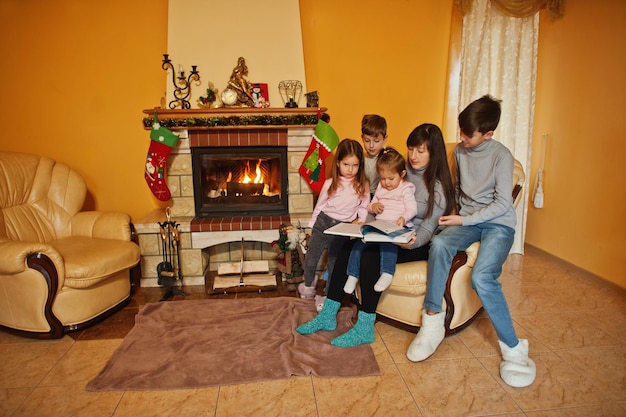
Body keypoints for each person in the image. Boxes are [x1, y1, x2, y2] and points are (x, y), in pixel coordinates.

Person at [406, 95, 536, 388]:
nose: (461, 138)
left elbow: (503, 204)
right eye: (460, 130)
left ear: (488, 133)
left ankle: (514, 348)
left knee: (482, 278)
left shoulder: (501, 156)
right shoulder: (462, 153)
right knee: (439, 245)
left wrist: (463, 219)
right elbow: (456, 190)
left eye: (468, 134)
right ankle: (432, 321)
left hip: (497, 226)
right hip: (467, 221)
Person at [296, 123, 455, 348]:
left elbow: (428, 228)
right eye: (411, 149)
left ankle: (364, 326)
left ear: (434, 152)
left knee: (370, 257)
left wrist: (412, 241)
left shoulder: (437, 188)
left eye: (421, 150)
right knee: (346, 246)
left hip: (413, 241)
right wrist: (365, 227)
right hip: (384, 232)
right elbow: (376, 203)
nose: (413, 155)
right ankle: (328, 315)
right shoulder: (397, 170)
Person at [297, 138, 370, 299]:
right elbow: (320, 205)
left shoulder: (362, 185)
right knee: (311, 258)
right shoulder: (330, 183)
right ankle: (308, 286)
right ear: (338, 163)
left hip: (342, 229)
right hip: (323, 222)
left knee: (334, 263)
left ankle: (329, 294)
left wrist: (362, 220)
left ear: (360, 165)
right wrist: (312, 223)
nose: (350, 169)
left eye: (355, 165)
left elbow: (364, 206)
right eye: (346, 164)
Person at [344, 147, 418, 294]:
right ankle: (352, 275)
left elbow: (413, 209)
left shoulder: (405, 189)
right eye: (383, 178)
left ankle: (387, 273)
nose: (386, 183)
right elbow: (371, 204)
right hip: (379, 225)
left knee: (388, 244)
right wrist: (374, 206)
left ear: (402, 174)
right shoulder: (381, 186)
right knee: (359, 242)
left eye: (391, 179)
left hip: (397, 227)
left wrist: (403, 217)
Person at [360, 115, 388, 199]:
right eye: (367, 141)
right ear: (362, 138)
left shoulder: (389, 158)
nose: (371, 145)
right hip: (365, 196)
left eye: (376, 141)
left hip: (384, 197)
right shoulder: (362, 159)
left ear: (385, 139)